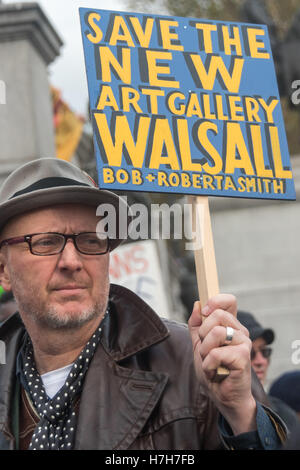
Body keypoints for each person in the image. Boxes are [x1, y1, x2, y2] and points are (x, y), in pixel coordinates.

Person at [0, 158, 287, 451]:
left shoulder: (195, 362)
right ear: (3, 270)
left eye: (91, 240)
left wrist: (240, 414)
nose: (72, 261)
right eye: (46, 242)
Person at [237, 311, 300, 433]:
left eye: (264, 351)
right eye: (250, 353)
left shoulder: (284, 415)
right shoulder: (209, 416)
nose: (261, 361)